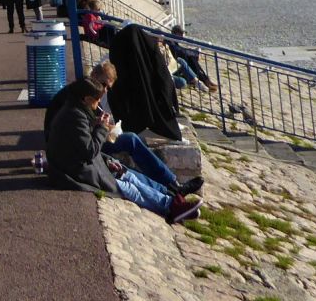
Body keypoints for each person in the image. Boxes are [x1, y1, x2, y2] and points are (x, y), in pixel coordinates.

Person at [43, 78, 199, 223]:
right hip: (76, 172)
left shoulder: (75, 110)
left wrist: (105, 154)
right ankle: (171, 207)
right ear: (86, 99)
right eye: (97, 99)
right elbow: (89, 151)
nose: (98, 103)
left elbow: (83, 146)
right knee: (128, 186)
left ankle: (173, 201)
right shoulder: (75, 117)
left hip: (78, 165)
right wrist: (102, 128)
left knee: (127, 174)